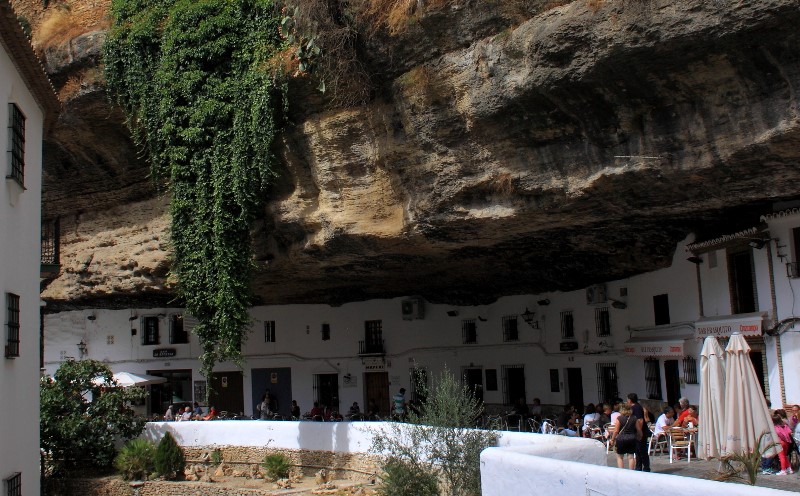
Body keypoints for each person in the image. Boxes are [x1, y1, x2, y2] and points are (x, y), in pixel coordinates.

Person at [609, 403, 642, 470]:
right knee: (631, 457)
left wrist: (612, 439)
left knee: (620, 457)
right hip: (632, 438)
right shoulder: (634, 418)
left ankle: (622, 472)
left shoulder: (619, 418)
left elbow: (616, 431)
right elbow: (638, 429)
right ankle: (631, 472)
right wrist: (640, 436)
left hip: (621, 438)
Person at [628, 393, 650, 472]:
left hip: (640, 432)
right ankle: (638, 467)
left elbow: (640, 420)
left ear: (630, 400)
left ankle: (646, 468)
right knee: (638, 450)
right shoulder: (636, 407)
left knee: (642, 450)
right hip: (638, 432)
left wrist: (639, 432)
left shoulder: (636, 408)